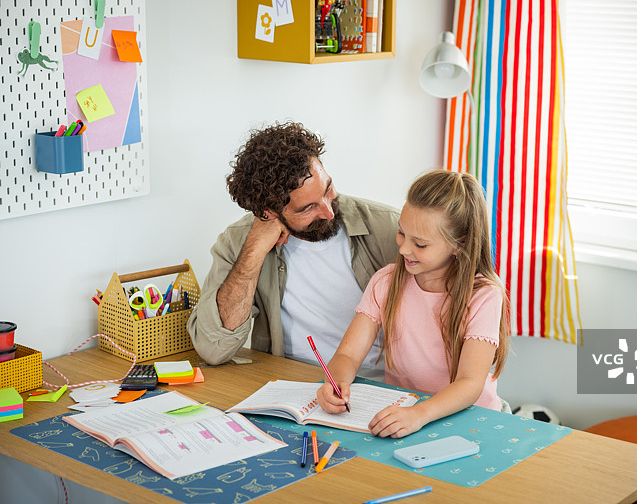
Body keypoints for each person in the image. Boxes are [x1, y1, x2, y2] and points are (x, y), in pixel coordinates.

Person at [187, 121, 399, 380]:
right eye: (307, 208)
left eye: (328, 188)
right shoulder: (237, 242)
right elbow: (213, 350)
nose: (328, 211)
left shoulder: (388, 228)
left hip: (378, 384)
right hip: (289, 385)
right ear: (269, 212)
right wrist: (254, 250)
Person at [316, 169, 510, 438]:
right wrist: (335, 382)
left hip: (470, 418)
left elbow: (470, 383)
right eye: (401, 234)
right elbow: (348, 355)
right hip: (408, 415)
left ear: (458, 245)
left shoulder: (484, 295)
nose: (404, 249)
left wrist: (419, 414)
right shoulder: (385, 281)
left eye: (420, 244)